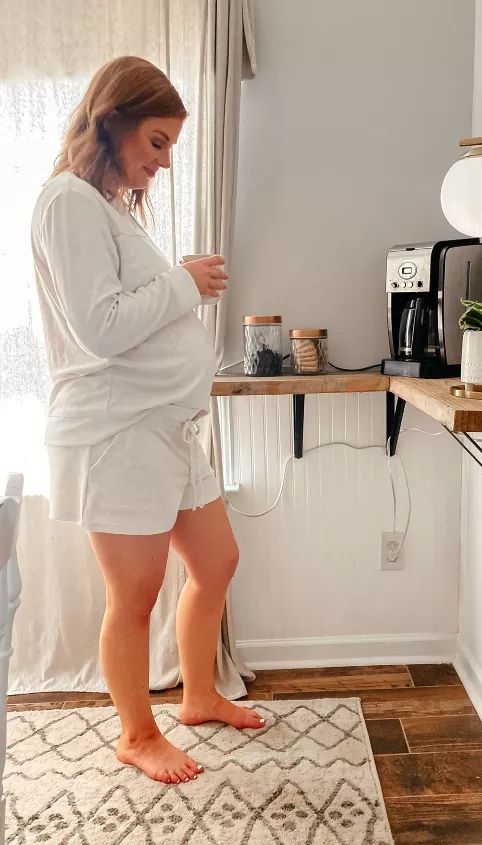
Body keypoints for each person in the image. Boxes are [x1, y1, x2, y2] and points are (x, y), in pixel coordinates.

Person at [30, 56, 265, 786]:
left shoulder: (102, 206)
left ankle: (197, 694)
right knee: (133, 597)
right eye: (157, 142)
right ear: (114, 123)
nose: (163, 161)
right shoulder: (67, 201)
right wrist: (181, 283)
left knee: (216, 561)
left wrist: (175, 284)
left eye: (170, 147)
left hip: (169, 430)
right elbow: (100, 328)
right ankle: (136, 732)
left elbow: (135, 309)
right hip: (118, 431)